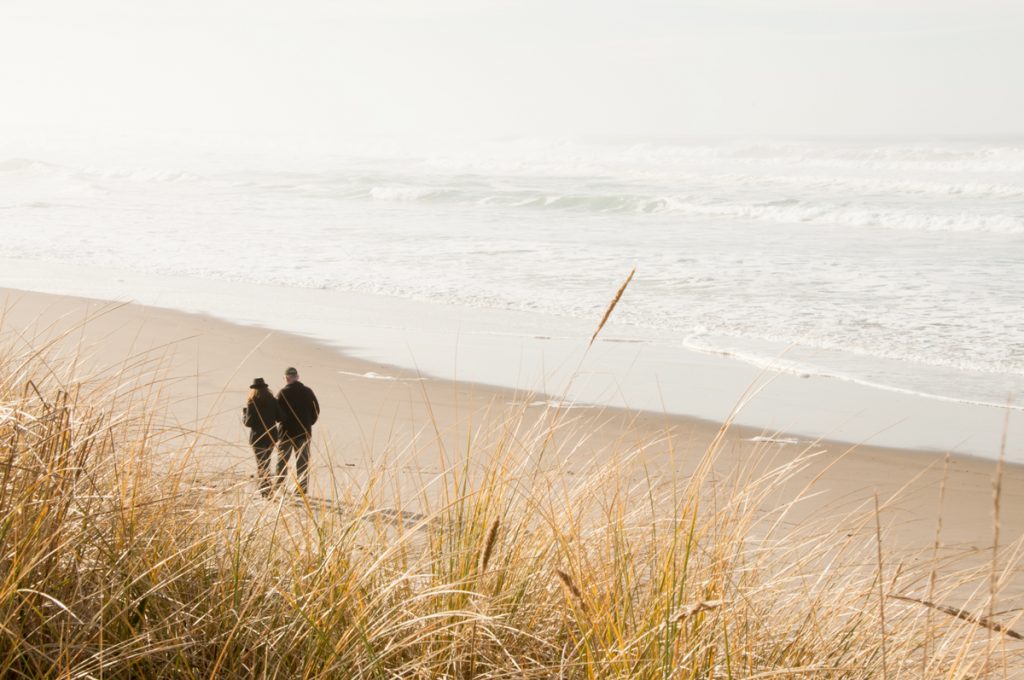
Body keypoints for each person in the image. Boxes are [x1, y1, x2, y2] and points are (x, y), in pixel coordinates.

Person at [276, 366, 320, 494]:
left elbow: (278, 414)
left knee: (282, 461)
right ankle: (302, 488)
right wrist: (308, 423)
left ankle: (279, 486)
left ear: (286, 378)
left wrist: (282, 421)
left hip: (286, 432)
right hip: (304, 432)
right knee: (303, 462)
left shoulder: (283, 393)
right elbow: (316, 410)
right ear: (297, 377)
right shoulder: (308, 392)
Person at [242, 377, 283, 498]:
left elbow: (248, 423)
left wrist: (244, 414)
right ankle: (265, 488)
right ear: (266, 388)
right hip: (271, 437)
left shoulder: (252, 402)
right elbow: (280, 417)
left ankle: (266, 490)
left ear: (254, 390)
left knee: (261, 464)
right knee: (266, 462)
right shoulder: (273, 401)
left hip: (257, 438)